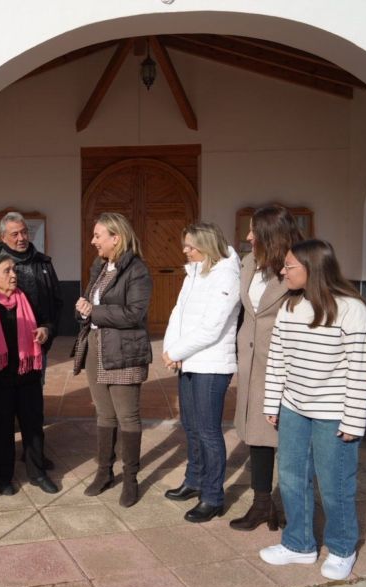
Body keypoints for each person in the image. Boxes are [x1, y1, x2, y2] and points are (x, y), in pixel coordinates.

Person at [258, 239, 366, 581]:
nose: (283, 271)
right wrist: (273, 403)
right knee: (292, 478)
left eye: (289, 266)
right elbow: (277, 359)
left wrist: (353, 419)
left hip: (334, 413)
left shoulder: (352, 309)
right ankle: (299, 544)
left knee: (335, 483)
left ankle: (342, 548)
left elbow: (360, 368)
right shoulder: (290, 307)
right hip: (293, 408)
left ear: (313, 268)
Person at [0, 211, 63, 474]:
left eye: (24, 232)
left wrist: (47, 331)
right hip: (0, 350)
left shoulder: (42, 263)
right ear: (3, 237)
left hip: (33, 348)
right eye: (15, 234)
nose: (22, 238)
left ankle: (33, 454)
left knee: (32, 403)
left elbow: (55, 302)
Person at [231, 205, 303, 531]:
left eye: (253, 231)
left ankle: (291, 504)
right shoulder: (249, 264)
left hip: (285, 365)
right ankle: (262, 504)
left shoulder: (299, 269)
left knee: (289, 437)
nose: (247, 237)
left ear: (270, 235)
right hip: (251, 363)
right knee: (257, 436)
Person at [162, 223, 241, 522]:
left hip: (211, 364)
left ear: (206, 247)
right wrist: (171, 349)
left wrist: (177, 352)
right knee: (190, 425)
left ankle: (212, 496)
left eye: (190, 247)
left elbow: (212, 326)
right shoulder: (194, 272)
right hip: (187, 361)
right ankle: (194, 480)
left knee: (208, 431)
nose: (184, 251)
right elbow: (177, 313)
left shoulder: (227, 275)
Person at [73, 212, 153, 508]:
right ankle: (104, 472)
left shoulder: (137, 270)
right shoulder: (99, 267)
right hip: (97, 347)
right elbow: (90, 304)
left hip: (124, 350)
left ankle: (130, 478)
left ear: (115, 237)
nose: (93, 241)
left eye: (98, 236)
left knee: (127, 416)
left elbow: (135, 313)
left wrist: (94, 311)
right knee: (104, 415)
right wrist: (83, 308)